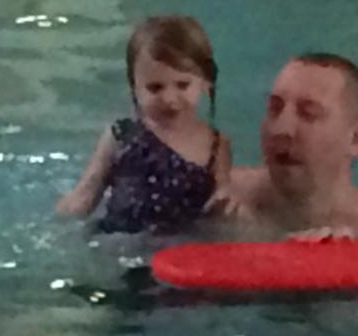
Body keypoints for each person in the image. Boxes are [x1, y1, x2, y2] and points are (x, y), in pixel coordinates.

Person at [56, 15, 232, 235]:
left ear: (206, 82)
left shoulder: (217, 146)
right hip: (116, 243)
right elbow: (85, 194)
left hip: (176, 250)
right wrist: (57, 222)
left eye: (183, 85)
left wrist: (226, 207)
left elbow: (220, 207)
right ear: (135, 87)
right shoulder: (122, 136)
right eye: (155, 88)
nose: (170, 99)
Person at [211, 53, 358, 239]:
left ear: (356, 139)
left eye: (309, 113)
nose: (281, 128)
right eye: (275, 108)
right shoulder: (222, 197)